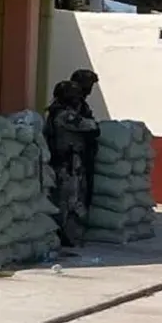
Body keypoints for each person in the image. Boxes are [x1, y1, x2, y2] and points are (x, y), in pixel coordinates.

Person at [45, 80, 100, 246]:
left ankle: (67, 235)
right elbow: (88, 126)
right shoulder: (64, 115)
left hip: (69, 162)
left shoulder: (60, 112)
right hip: (66, 163)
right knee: (67, 201)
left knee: (70, 200)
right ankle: (64, 236)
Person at [70, 69, 100, 208]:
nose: (89, 90)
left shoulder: (81, 104)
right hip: (70, 158)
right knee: (72, 200)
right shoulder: (71, 105)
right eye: (88, 86)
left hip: (81, 156)